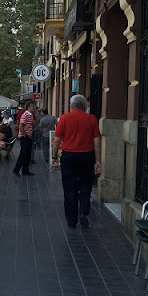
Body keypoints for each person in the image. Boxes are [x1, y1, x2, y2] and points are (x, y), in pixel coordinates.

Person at [52, 95, 102, 228]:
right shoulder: (91, 119)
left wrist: (54, 157)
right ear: (85, 106)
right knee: (86, 184)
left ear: (71, 106)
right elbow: (96, 141)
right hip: (87, 156)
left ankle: (71, 219)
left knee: (69, 188)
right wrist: (98, 161)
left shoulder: (64, 118)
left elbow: (57, 140)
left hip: (69, 157)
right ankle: (84, 211)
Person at [13, 101, 36, 177]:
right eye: (33, 106)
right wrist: (24, 135)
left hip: (29, 136)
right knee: (23, 154)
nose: (34, 108)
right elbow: (20, 126)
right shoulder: (25, 115)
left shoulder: (31, 115)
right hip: (25, 137)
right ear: (29, 107)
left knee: (28, 154)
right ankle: (16, 170)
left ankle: (25, 170)